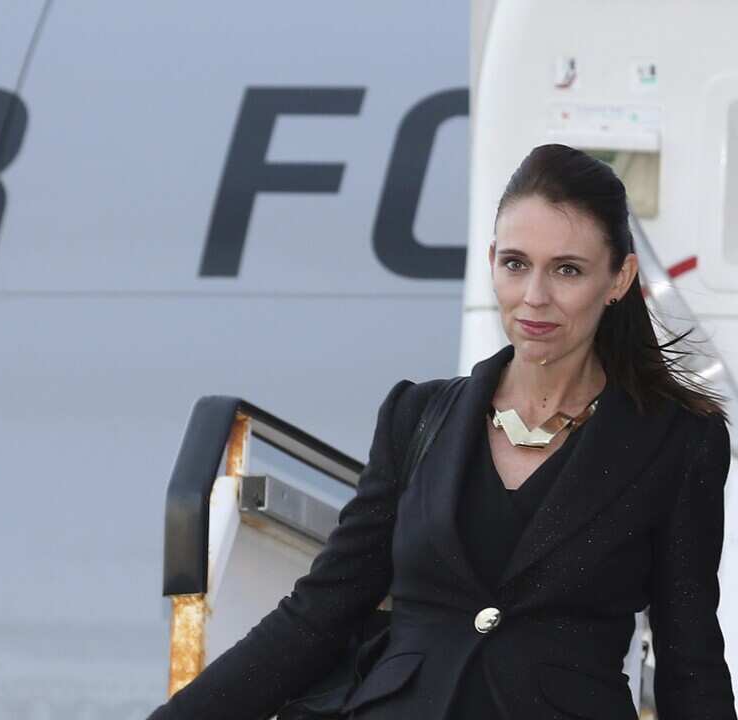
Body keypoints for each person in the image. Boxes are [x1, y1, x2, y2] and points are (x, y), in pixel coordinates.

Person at [146, 144, 735, 720]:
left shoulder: (679, 443)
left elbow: (690, 661)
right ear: (492, 262)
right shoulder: (416, 415)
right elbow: (318, 615)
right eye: (515, 264)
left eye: (567, 270)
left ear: (619, 278)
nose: (535, 297)